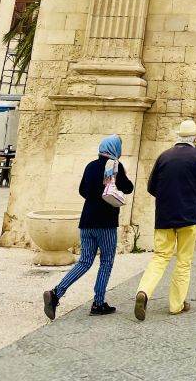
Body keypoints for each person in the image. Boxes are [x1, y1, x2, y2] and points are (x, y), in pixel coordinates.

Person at [43, 134, 133, 320]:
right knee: (106, 261)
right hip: (106, 223)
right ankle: (98, 303)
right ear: (115, 149)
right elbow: (128, 188)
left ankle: (56, 293)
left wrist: (95, 196)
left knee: (84, 261)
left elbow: (82, 190)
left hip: (87, 222)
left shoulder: (90, 166)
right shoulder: (115, 166)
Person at [134, 118, 196, 320]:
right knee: (183, 261)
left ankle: (143, 291)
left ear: (179, 136)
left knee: (160, 257)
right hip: (188, 216)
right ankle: (176, 304)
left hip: (164, 216)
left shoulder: (164, 156)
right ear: (194, 137)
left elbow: (151, 187)